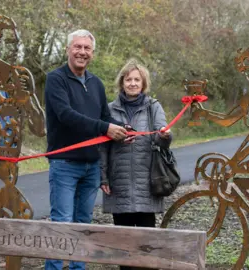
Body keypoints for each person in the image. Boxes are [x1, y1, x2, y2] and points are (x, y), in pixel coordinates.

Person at [44, 29, 128, 270]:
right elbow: (67, 116)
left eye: (87, 48)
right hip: (64, 164)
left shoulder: (96, 83)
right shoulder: (55, 79)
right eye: (77, 47)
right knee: (62, 223)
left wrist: (124, 130)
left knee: (84, 223)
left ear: (92, 53)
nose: (82, 52)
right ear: (69, 49)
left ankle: (78, 268)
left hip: (91, 165)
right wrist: (106, 127)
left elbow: (104, 117)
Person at [99, 59, 172, 270]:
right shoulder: (109, 109)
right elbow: (102, 147)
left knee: (146, 243)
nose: (132, 83)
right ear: (122, 83)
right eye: (128, 79)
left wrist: (165, 135)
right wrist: (103, 176)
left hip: (146, 183)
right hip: (118, 183)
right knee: (123, 244)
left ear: (143, 83)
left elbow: (162, 137)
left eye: (136, 79)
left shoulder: (154, 107)